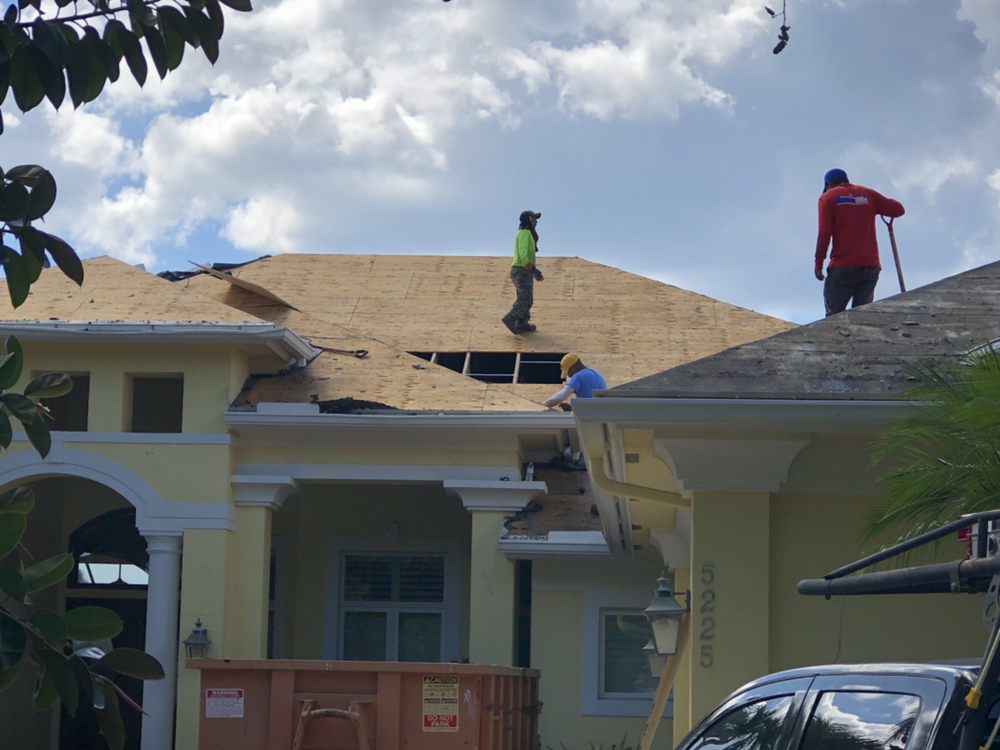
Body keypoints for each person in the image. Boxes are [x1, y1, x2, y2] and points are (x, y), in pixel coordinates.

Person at [815, 168, 905, 316]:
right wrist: (871, 203)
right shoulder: (868, 194)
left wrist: (818, 263)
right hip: (870, 267)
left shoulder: (827, 198)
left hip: (842, 267)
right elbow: (898, 209)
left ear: (829, 185)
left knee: (833, 320)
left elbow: (824, 232)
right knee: (861, 318)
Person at [502, 210, 543, 334]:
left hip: (525, 271)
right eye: (534, 219)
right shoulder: (525, 233)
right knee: (524, 297)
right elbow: (523, 252)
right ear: (529, 220)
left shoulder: (527, 233)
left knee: (528, 298)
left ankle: (522, 323)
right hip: (521, 269)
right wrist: (532, 268)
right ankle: (511, 318)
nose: (536, 222)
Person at [543, 354, 607, 410]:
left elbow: (559, 398)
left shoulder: (578, 376)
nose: (569, 375)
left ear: (575, 365)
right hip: (603, 410)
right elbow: (591, 399)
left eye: (568, 371)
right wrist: (572, 408)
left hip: (590, 414)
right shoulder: (596, 372)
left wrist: (543, 405)